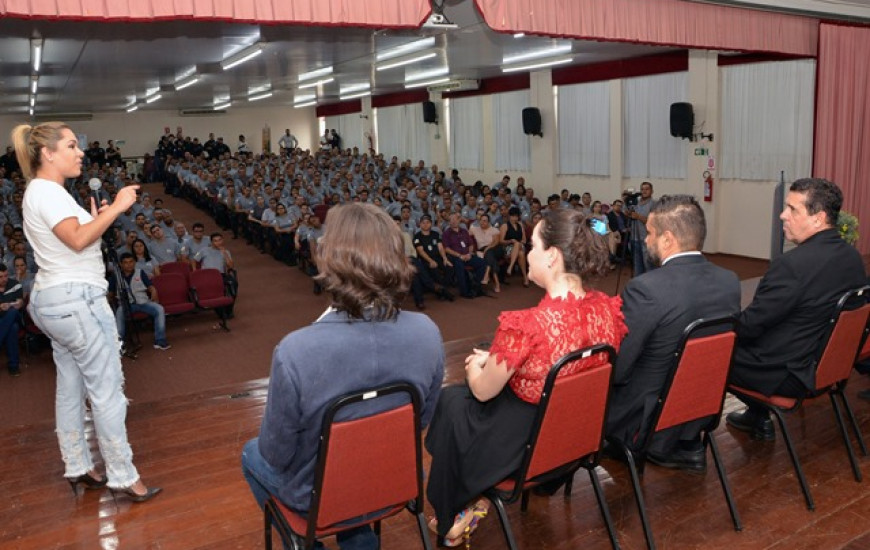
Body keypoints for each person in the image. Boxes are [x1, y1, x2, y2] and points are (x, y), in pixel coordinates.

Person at [241, 203, 444, 550]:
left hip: (322, 496)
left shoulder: (296, 350)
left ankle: (307, 543)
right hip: (395, 482)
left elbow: (276, 453)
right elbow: (420, 420)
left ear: (329, 259)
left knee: (251, 454)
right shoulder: (427, 331)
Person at [424, 209, 627, 546]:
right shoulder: (606, 310)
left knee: (452, 402)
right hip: (574, 433)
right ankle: (471, 497)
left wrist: (477, 367)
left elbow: (484, 392)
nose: (527, 253)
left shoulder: (527, 326)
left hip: (528, 440)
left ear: (552, 256)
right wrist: (502, 358)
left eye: (532, 246)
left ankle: (455, 510)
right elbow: (563, 362)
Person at [16, 121, 159, 501]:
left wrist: (102, 215)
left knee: (71, 387)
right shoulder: (48, 193)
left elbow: (79, 235)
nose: (80, 152)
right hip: (77, 301)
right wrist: (121, 208)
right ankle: (123, 474)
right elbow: (78, 240)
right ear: (48, 154)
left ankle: (78, 464)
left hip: (56, 301)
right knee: (107, 391)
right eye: (71, 146)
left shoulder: (45, 192)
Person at [605, 195, 740, 472]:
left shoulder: (647, 288)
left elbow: (618, 370)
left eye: (650, 233)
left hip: (648, 417)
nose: (645, 240)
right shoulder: (729, 281)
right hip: (700, 405)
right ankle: (686, 445)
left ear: (667, 239)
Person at [726, 178, 867, 440]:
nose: (782, 215)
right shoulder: (852, 258)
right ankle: (758, 416)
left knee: (704, 353)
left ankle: (687, 445)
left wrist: (721, 325)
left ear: (819, 218)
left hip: (788, 374)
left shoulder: (791, 266)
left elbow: (750, 326)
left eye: (792, 209)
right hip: (825, 366)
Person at [111, 252, 171, 351]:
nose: (129, 264)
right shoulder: (116, 276)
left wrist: (154, 291)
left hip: (143, 302)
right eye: (125, 262)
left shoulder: (140, 272)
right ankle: (120, 345)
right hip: (126, 305)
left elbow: (150, 286)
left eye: (131, 262)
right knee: (119, 313)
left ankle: (160, 341)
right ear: (121, 264)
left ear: (134, 262)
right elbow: (111, 292)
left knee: (159, 309)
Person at [0, 263, 23, 376]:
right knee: (12, 328)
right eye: (0, 277)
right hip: (3, 320)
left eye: (6, 275)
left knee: (12, 311)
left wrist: (19, 303)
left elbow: (20, 301)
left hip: (16, 315)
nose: (4, 279)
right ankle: (13, 366)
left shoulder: (15, 284)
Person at [627, 181, 654, 276]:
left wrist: (638, 216)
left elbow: (653, 222)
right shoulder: (636, 203)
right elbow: (628, 214)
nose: (644, 191)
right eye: (642, 189)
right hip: (634, 238)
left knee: (648, 266)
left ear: (652, 191)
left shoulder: (653, 204)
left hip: (646, 239)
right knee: (637, 267)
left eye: (647, 189)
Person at [500, 206, 530, 287]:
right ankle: (525, 278)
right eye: (513, 216)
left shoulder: (520, 225)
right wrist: (510, 241)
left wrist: (519, 243)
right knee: (521, 254)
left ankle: (510, 267)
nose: (515, 218)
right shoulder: (504, 226)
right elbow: (501, 241)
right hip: (508, 247)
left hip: (520, 245)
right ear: (509, 216)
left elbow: (524, 239)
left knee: (518, 245)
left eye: (516, 216)